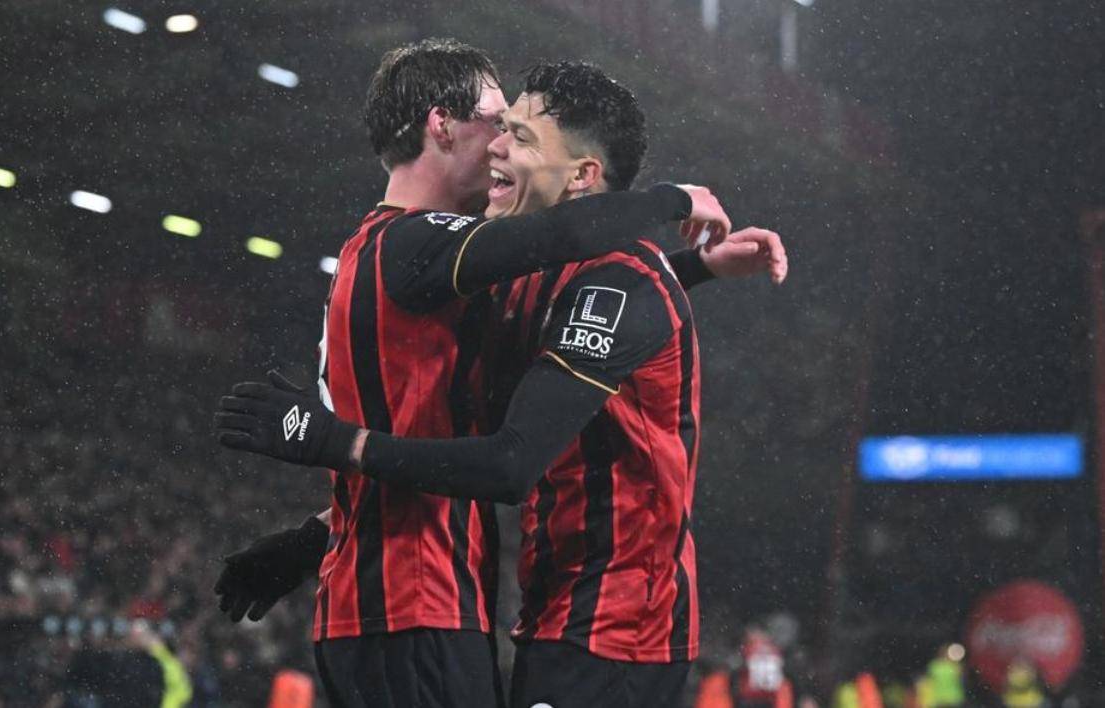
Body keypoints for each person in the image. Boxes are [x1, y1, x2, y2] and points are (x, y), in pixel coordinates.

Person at [217, 60, 786, 708]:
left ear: (581, 176)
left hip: (618, 632)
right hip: (541, 615)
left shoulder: (614, 280)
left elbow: (509, 461)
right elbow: (464, 425)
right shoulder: (513, 275)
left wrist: (334, 446)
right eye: (499, 126)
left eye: (518, 135)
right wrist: (311, 536)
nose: (496, 146)